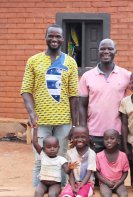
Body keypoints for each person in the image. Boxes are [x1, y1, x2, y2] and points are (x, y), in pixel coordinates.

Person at [20, 24, 79, 187]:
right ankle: (38, 190)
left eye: (58, 36)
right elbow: (25, 90)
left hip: (63, 121)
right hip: (40, 122)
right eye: (51, 36)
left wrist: (75, 124)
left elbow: (74, 95)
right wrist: (31, 112)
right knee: (40, 160)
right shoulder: (34, 61)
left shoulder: (71, 62)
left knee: (61, 159)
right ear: (45, 37)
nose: (54, 39)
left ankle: (60, 190)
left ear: (63, 39)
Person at [79, 38, 131, 153]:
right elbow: (82, 106)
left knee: (116, 168)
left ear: (115, 52)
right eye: (103, 49)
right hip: (94, 133)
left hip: (117, 133)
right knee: (94, 168)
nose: (106, 51)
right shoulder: (87, 76)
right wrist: (84, 133)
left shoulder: (126, 75)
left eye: (110, 49)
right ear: (98, 51)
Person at [32, 125, 78, 197]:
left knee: (52, 194)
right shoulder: (43, 156)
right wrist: (35, 130)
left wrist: (70, 168)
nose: (52, 149)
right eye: (49, 147)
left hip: (55, 184)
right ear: (43, 149)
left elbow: (67, 171)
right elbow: (35, 143)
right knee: (37, 193)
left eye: (55, 147)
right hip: (43, 183)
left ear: (58, 148)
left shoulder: (61, 159)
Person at [60, 126, 97, 197]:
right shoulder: (69, 153)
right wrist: (73, 187)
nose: (79, 140)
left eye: (83, 137)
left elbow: (88, 174)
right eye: (76, 137)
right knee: (66, 195)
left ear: (88, 138)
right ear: (72, 138)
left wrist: (79, 187)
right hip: (73, 183)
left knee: (80, 195)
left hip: (87, 184)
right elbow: (70, 174)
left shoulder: (91, 154)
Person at [96, 129, 129, 197]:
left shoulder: (123, 155)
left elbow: (125, 172)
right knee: (106, 195)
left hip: (119, 183)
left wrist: (119, 182)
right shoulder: (99, 156)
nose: (109, 140)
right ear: (103, 141)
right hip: (104, 183)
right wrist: (106, 182)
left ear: (118, 141)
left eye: (112, 138)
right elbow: (96, 172)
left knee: (124, 195)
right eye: (106, 139)